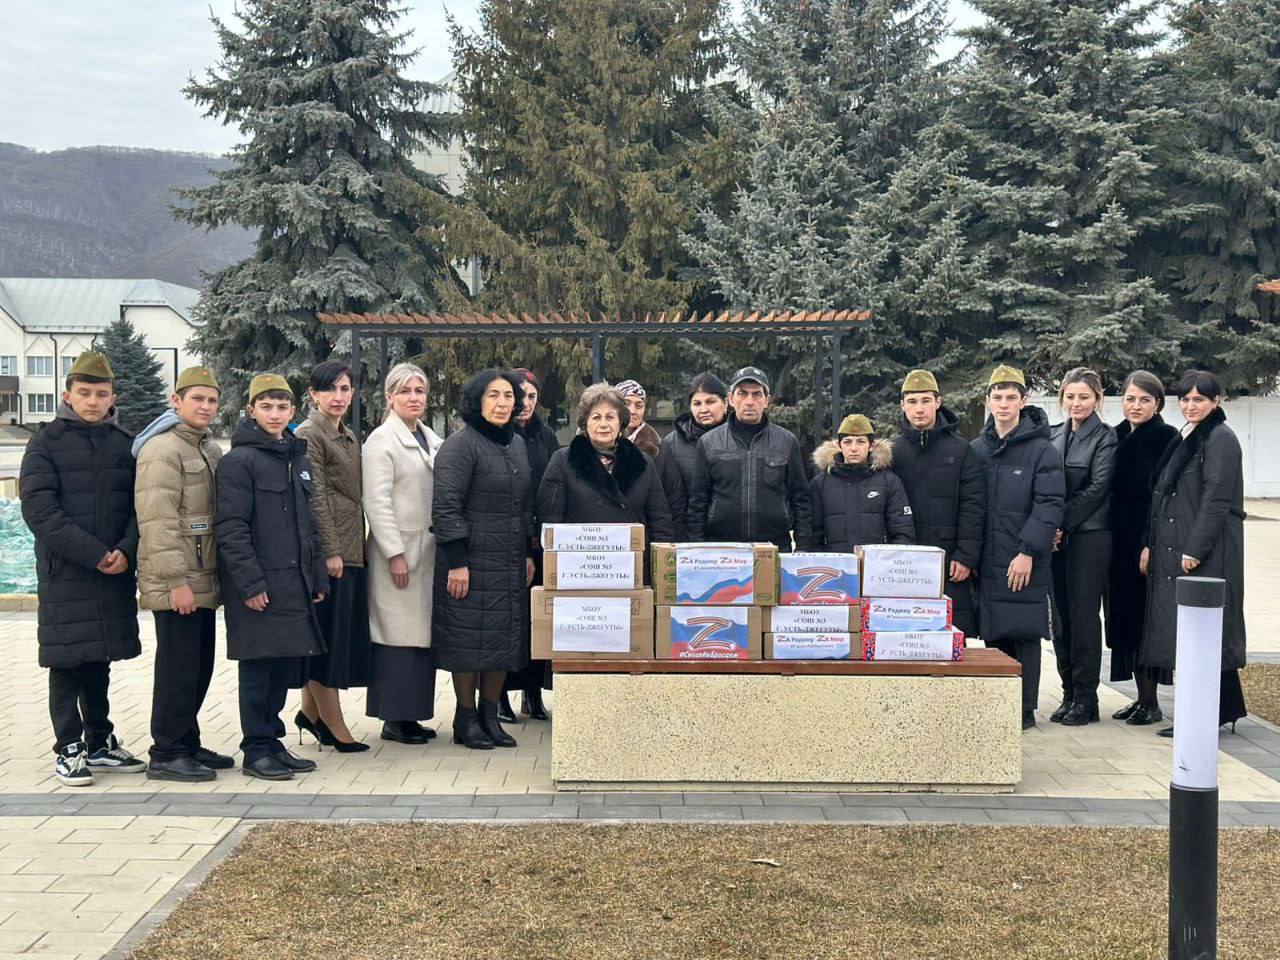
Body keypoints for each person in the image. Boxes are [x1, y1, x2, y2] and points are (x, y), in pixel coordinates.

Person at [20, 351, 146, 786]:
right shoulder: (45, 443)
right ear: (67, 395)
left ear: (114, 397)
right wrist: (95, 553)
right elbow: (39, 511)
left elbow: (138, 506)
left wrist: (126, 549)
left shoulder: (122, 444)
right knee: (67, 660)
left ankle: (99, 740)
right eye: (85, 393)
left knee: (99, 658)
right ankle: (68, 746)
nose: (93, 401)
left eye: (102, 394)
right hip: (69, 572)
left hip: (114, 568)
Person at [215, 374, 328, 780]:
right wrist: (250, 584)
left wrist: (317, 577)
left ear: (293, 411)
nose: (275, 414)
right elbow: (231, 528)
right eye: (267, 406)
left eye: (282, 406)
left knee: (283, 667)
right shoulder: (238, 463)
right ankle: (256, 748)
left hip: (293, 583)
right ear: (251, 411)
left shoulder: (296, 457)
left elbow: (307, 525)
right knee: (258, 669)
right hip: (260, 587)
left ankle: (273, 741)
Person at [134, 365, 234, 782]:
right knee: (177, 669)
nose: (206, 407)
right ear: (176, 402)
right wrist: (176, 582)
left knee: (198, 667)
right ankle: (167, 751)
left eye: (212, 400)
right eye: (197, 399)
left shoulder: (207, 448)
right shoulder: (163, 450)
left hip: (202, 576)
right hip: (178, 581)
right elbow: (157, 522)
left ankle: (187, 741)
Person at [432, 368, 536, 750]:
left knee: (501, 640)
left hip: (508, 560)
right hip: (469, 562)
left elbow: (524, 504)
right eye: (493, 395)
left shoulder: (517, 444)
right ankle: (465, 717)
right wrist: (457, 560)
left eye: (509, 396)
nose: (502, 403)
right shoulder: (460, 446)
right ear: (477, 401)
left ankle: (490, 714)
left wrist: (527, 551)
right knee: (467, 641)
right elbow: (445, 507)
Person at [1140, 369, 1247, 736]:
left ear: (1216, 402)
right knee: (1197, 634)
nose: (1190, 405)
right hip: (1180, 546)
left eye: (1199, 399)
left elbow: (1217, 499)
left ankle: (1203, 716)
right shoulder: (1192, 435)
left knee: (1204, 635)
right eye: (1185, 399)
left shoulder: (1220, 439)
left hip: (1208, 552)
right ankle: (1220, 710)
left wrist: (1194, 549)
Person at [971, 364, 1065, 730]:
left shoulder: (1042, 451)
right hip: (988, 557)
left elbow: (1049, 505)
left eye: (1012, 397)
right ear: (988, 401)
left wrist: (1028, 551)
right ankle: (1000, 704)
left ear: (1024, 402)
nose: (1004, 404)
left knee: (1024, 631)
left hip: (1023, 558)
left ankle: (1025, 709)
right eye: (998, 397)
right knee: (995, 632)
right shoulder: (978, 450)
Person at [362, 363, 444, 745]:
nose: (414, 398)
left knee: (420, 637)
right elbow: (376, 502)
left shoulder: (430, 438)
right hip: (397, 555)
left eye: (420, 391)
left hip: (426, 552)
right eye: (406, 391)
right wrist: (393, 552)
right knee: (396, 635)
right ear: (390, 397)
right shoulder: (381, 441)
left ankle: (412, 715)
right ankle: (394, 717)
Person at [293, 360, 372, 752]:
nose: (338, 397)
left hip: (353, 548)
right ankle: (335, 725)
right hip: (334, 553)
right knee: (330, 643)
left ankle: (310, 714)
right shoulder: (310, 434)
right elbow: (317, 497)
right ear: (313, 395)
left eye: (345, 389)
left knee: (334, 636)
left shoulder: (348, 434)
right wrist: (331, 552)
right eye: (330, 390)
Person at [889, 369, 985, 638]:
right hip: (901, 565)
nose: (919, 409)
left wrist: (965, 556)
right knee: (902, 639)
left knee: (952, 639)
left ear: (938, 402)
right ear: (903, 405)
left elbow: (973, 506)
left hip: (949, 564)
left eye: (925, 401)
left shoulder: (961, 451)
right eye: (912, 402)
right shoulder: (891, 452)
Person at [1107, 371, 1178, 725]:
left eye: (1144, 400)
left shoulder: (1166, 438)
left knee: (1144, 622)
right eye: (1131, 399)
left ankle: (1151, 701)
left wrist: (1151, 545)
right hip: (1116, 544)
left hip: (1146, 546)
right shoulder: (1115, 435)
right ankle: (1139, 698)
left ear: (1158, 404)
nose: (1136, 406)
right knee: (1124, 620)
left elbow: (1165, 499)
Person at [1048, 368, 1117, 727]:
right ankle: (1068, 692)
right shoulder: (1055, 435)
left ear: (1097, 399)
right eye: (1070, 396)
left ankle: (1086, 698)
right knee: (1060, 616)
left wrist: (1062, 524)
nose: (1076, 403)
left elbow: (1098, 487)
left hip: (1089, 536)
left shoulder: (1105, 437)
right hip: (1058, 537)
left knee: (1083, 617)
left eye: (1084, 397)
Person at [687, 366, 813, 552]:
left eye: (757, 395)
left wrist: (803, 547)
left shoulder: (786, 442)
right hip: (722, 549)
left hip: (775, 546)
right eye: (742, 394)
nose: (749, 401)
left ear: (766, 401)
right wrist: (699, 548)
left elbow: (800, 499)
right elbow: (698, 502)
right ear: (731, 399)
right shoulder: (709, 443)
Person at [537, 382, 676, 544]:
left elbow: (660, 522)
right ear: (585, 423)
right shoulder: (562, 461)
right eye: (596, 417)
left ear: (621, 423)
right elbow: (549, 520)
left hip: (632, 564)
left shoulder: (643, 463)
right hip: (578, 564)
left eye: (610, 417)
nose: (604, 424)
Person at [504, 368, 561, 723]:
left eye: (532, 396)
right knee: (510, 620)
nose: (525, 403)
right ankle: (497, 697)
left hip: (541, 542)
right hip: (508, 541)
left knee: (540, 619)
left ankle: (533, 692)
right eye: (519, 395)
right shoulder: (499, 434)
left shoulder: (547, 437)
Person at [809, 414, 914, 551]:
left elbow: (902, 531)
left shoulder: (889, 481)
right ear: (838, 445)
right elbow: (813, 534)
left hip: (877, 566)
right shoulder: (820, 483)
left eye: (860, 441)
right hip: (836, 567)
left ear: (872, 445)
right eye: (847, 442)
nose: (854, 448)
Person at [657, 372, 727, 538]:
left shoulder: (738, 440)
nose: (703, 409)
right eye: (697, 403)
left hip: (730, 537)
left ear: (725, 404)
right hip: (686, 539)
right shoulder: (671, 444)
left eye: (710, 402)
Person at [615, 380, 661, 457]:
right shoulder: (597, 443)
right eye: (626, 404)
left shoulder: (659, 448)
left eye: (638, 406)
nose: (632, 411)